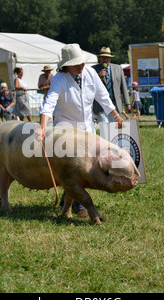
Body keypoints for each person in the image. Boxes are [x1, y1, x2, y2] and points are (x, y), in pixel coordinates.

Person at [38, 43, 123, 218]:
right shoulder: (59, 80)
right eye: (75, 63)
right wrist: (42, 127)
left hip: (87, 129)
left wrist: (116, 116)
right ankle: (79, 204)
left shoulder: (91, 73)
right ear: (66, 65)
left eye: (81, 62)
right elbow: (49, 104)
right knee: (77, 167)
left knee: (85, 165)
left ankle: (68, 197)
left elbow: (103, 97)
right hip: (66, 129)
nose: (80, 66)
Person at [92, 46, 131, 123]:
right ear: (100, 58)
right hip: (100, 105)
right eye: (103, 57)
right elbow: (90, 86)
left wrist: (127, 102)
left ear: (110, 58)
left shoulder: (118, 68)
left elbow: (123, 86)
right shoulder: (93, 69)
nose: (105, 59)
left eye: (108, 57)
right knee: (104, 126)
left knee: (114, 127)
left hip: (115, 103)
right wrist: (99, 76)